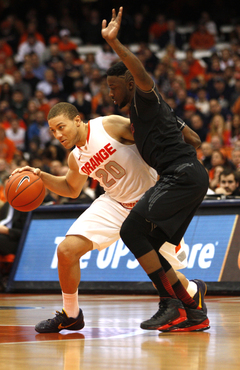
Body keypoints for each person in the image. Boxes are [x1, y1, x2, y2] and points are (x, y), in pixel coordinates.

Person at [12, 102, 206, 334]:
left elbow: (155, 132)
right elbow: (71, 188)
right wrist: (40, 176)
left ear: (77, 120)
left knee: (164, 277)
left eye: (61, 127)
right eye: (53, 131)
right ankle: (71, 314)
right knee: (66, 251)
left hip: (151, 203)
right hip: (114, 203)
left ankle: (194, 290)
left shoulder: (109, 126)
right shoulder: (75, 158)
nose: (58, 135)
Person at [102, 7, 210, 332]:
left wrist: (114, 42)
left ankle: (169, 304)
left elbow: (139, 71)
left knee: (131, 230)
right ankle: (194, 309)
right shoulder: (151, 109)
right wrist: (170, 126)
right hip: (188, 175)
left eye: (114, 87)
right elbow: (194, 136)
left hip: (181, 174)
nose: (111, 93)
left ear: (130, 84)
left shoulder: (143, 98)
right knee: (146, 239)